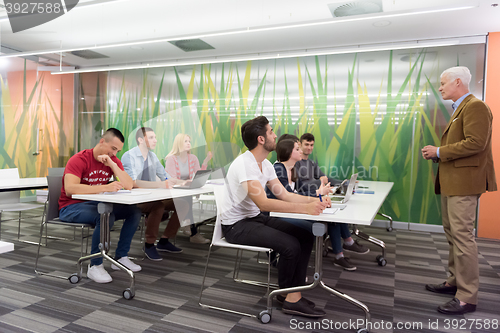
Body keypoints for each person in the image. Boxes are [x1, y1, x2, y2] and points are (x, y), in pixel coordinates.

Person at [220, 116, 329, 318]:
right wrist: (306, 210)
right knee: (291, 245)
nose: (275, 135)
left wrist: (314, 201)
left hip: (255, 219)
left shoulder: (266, 165)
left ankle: (290, 293)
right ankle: (291, 299)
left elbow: (285, 195)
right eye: (271, 132)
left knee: (305, 235)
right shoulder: (245, 164)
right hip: (236, 226)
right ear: (261, 139)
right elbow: (264, 203)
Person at [422, 66, 496, 315]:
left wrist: (439, 151)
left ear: (457, 82)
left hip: (464, 184)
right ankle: (454, 282)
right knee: (453, 235)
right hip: (453, 182)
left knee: (463, 238)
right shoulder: (460, 109)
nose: (440, 88)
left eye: (443, 83)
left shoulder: (475, 106)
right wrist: (438, 154)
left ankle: (467, 297)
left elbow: (476, 143)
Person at [267, 136, 369, 271]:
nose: (302, 151)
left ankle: (337, 256)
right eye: (298, 149)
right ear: (289, 152)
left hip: (292, 208)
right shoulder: (279, 169)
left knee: (328, 217)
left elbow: (301, 191)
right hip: (279, 213)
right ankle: (292, 267)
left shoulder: (292, 169)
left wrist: (318, 195)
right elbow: (287, 197)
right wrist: (317, 196)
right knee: (313, 228)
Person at [59, 128, 142, 284]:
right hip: (70, 207)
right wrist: (105, 187)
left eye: (117, 150)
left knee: (134, 212)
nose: (115, 153)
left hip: (93, 204)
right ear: (102, 141)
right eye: (113, 148)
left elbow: (129, 185)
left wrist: (112, 164)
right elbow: (70, 189)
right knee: (105, 216)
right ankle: (95, 265)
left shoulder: (111, 159)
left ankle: (121, 257)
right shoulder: (79, 159)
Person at [121, 127, 190, 261]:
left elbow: (165, 176)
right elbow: (133, 182)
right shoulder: (129, 156)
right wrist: (160, 184)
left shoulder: (152, 156)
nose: (155, 140)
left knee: (182, 203)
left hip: (153, 195)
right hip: (136, 199)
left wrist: (182, 182)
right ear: (140, 140)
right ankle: (149, 244)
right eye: (151, 138)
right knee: (158, 206)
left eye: (155, 137)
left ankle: (164, 241)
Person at [165, 133, 212, 244]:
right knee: (187, 198)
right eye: (185, 141)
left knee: (187, 197)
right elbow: (172, 179)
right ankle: (192, 231)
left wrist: (205, 163)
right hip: (174, 191)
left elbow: (197, 175)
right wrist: (184, 182)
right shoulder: (171, 159)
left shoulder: (193, 158)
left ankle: (188, 225)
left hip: (187, 190)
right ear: (179, 143)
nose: (188, 144)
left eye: (189, 141)